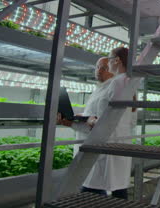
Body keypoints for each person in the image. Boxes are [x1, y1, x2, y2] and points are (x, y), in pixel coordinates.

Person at [57, 48, 134, 199]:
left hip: (102, 147)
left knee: (93, 192)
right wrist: (79, 120)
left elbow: (102, 124)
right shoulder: (107, 88)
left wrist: (86, 120)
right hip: (106, 146)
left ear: (116, 61)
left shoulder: (115, 85)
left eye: (104, 67)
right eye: (97, 67)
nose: (99, 70)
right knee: (113, 191)